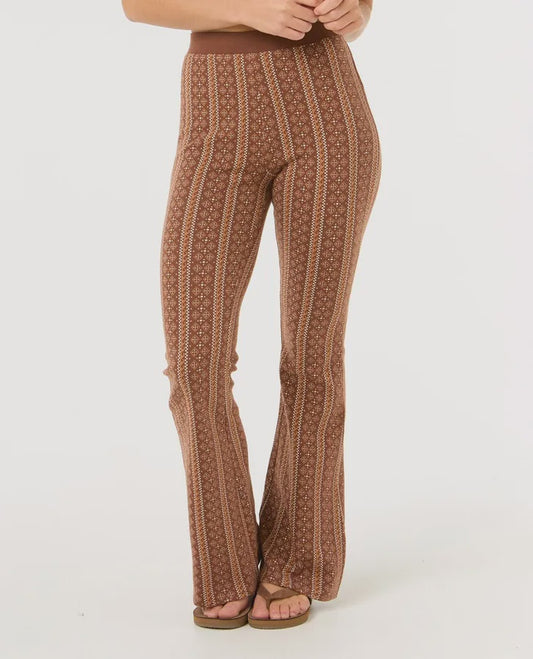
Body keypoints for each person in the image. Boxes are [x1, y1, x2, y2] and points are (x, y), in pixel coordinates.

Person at [122, 0, 381, 629]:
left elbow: (362, 8)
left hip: (327, 105)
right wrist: (246, 8)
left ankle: (295, 560)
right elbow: (135, 4)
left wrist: (356, 11)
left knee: (312, 355)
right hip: (216, 111)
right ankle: (225, 563)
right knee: (195, 362)